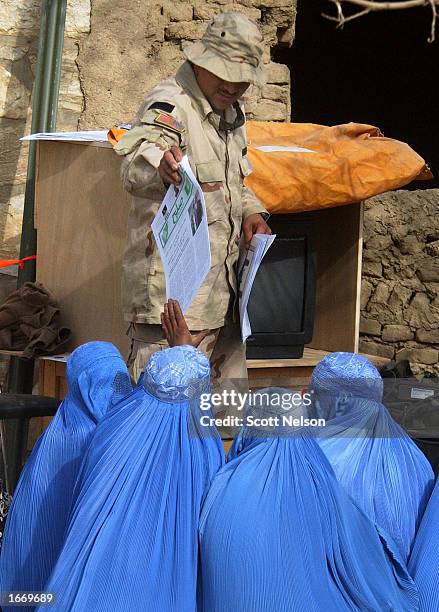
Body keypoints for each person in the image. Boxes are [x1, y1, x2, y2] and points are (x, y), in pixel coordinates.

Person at [114, 12, 271, 384]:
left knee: (224, 429)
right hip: (174, 313)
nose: (233, 87)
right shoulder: (171, 103)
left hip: (223, 302)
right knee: (165, 428)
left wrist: (251, 212)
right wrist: (161, 168)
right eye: (225, 75)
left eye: (242, 81)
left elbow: (232, 182)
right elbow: (135, 165)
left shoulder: (231, 113)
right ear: (202, 61)